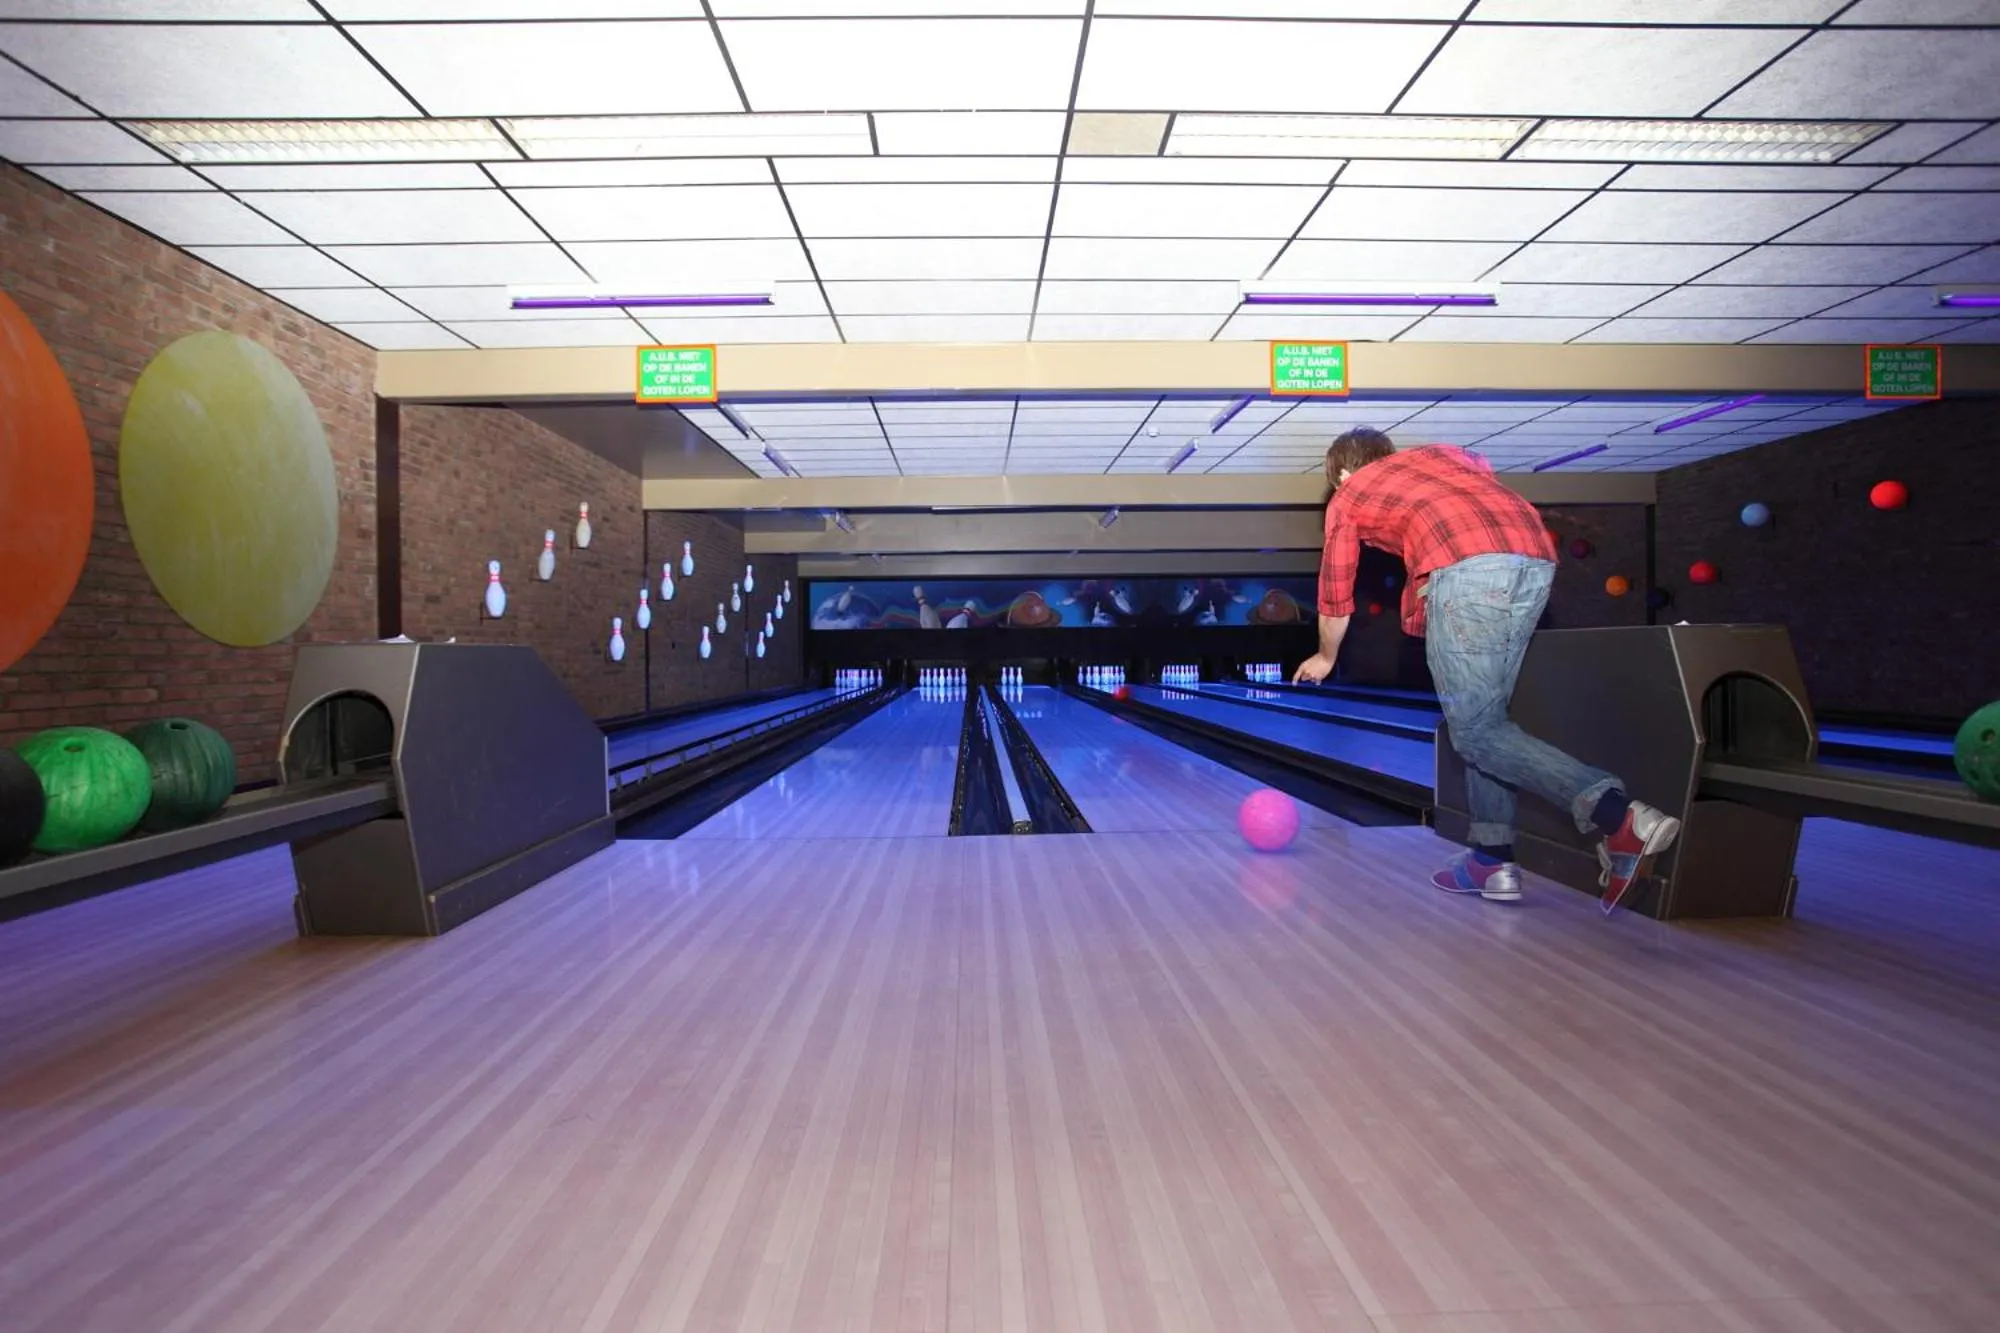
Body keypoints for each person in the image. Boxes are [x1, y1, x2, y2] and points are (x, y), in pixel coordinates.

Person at [1292, 428, 1680, 912]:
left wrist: (1326, 656)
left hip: (1470, 569)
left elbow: (1335, 594)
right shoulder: (1448, 457)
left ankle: (1620, 817)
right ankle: (1491, 858)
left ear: (1344, 473)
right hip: (1534, 558)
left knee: (1474, 732)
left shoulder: (1349, 494)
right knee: (1487, 724)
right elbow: (1479, 476)